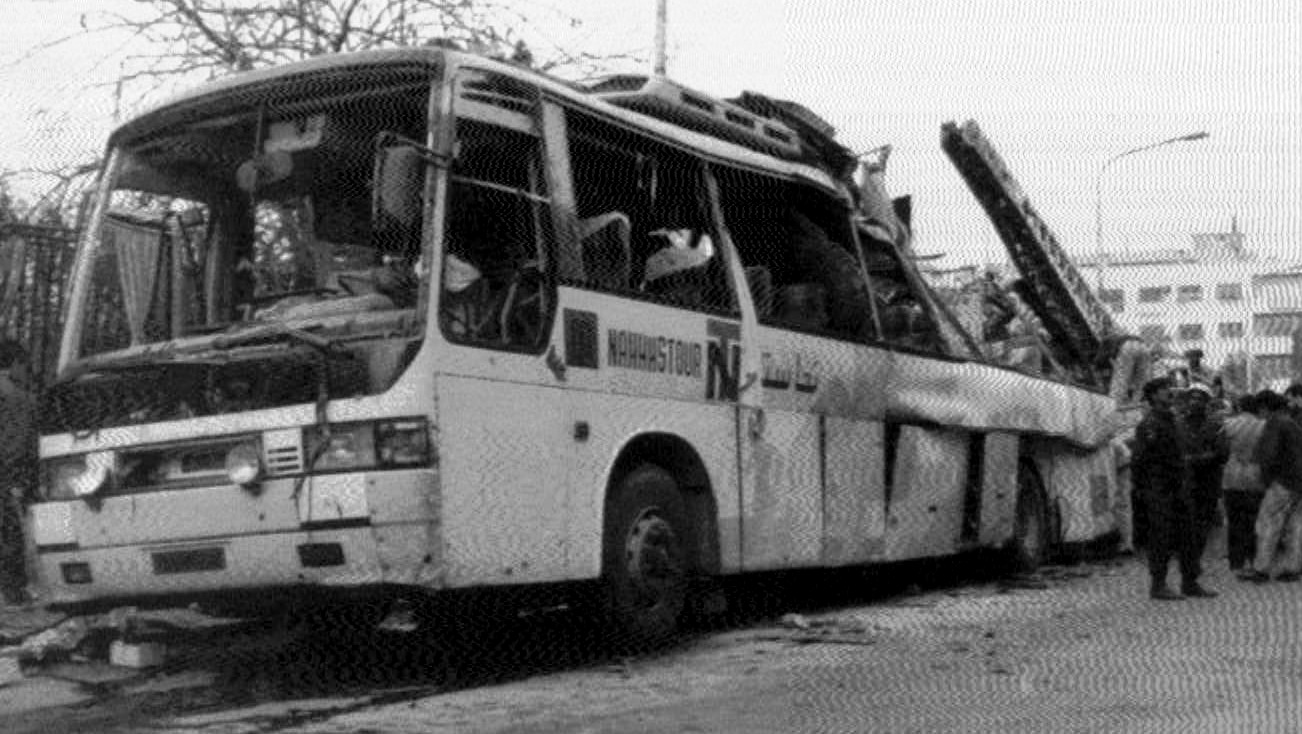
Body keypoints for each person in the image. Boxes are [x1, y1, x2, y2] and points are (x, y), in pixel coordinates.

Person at [1132, 376, 1216, 600]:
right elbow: (1139, 461)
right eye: (1162, 390)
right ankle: (1158, 585)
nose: (1168, 392)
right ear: (1152, 396)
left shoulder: (1174, 421)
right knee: (1161, 538)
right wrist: (1145, 490)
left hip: (1180, 487)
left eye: (1168, 388)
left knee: (1188, 536)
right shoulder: (1150, 425)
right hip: (1160, 488)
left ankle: (1190, 582)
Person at [1242, 390, 1302, 583]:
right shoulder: (1292, 423)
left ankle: (1261, 568)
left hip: (1281, 481)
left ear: (1264, 407)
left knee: (1268, 524)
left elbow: (1269, 454)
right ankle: (1292, 567)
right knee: (1294, 526)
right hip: (1297, 481)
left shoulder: (1275, 423)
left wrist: (1264, 478)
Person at [0, 339, 37, 605]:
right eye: (25, 366)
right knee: (10, 531)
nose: (27, 372)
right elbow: (19, 442)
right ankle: (14, 591)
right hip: (8, 472)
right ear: (14, 364)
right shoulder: (15, 396)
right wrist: (18, 478)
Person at [1179, 382, 1229, 568]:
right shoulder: (1178, 423)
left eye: (1200, 398)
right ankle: (1188, 560)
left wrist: (1196, 459)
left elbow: (1223, 453)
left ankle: (1194, 561)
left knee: (1202, 524)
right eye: (1192, 397)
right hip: (1184, 482)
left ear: (1207, 402)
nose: (1194, 401)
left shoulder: (1215, 425)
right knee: (1186, 523)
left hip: (1208, 482)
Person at [1221, 393, 1266, 571]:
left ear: (1239, 407)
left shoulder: (1228, 425)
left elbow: (1222, 450)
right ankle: (1253, 558)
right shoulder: (1263, 426)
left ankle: (1236, 561)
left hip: (1232, 476)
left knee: (1234, 520)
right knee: (1254, 520)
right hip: (1255, 477)